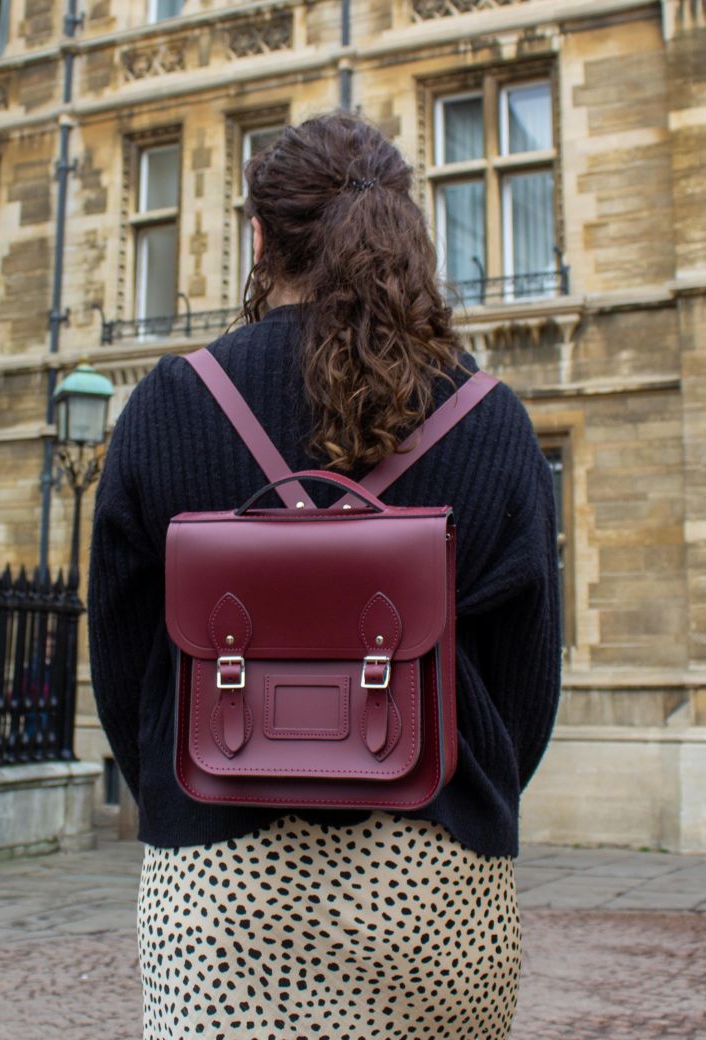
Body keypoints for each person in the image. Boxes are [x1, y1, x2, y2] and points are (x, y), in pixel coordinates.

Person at [88, 111, 561, 1040]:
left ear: (258, 239)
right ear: (403, 231)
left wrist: (187, 791)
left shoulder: (169, 404)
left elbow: (122, 660)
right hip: (436, 891)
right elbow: (524, 692)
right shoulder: (494, 419)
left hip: (219, 896)